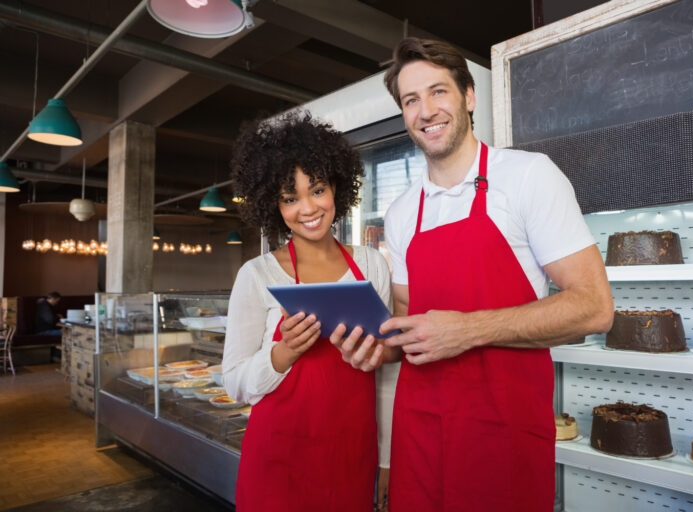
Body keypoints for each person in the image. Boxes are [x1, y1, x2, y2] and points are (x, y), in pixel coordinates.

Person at [336, 38, 615, 510]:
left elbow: (594, 306)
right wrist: (373, 347)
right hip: (420, 430)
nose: (426, 110)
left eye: (438, 92)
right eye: (410, 100)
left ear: (468, 96)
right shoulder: (403, 212)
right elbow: (406, 318)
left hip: (502, 431)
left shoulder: (528, 176)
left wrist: (467, 330)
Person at [222, 112, 394, 512]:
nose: (307, 208)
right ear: (273, 204)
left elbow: (386, 373)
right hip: (278, 461)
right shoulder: (256, 275)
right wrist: (281, 355)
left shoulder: (371, 265)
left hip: (353, 454)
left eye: (317, 189)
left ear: (336, 186)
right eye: (289, 197)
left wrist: (387, 460)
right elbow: (234, 383)